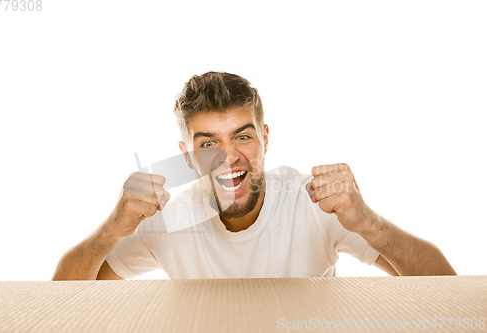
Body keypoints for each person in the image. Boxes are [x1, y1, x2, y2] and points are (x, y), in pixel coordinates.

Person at [51, 72, 456, 280]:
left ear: (264, 139)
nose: (228, 157)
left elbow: (446, 287)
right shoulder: (168, 219)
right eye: (208, 144)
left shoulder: (311, 202)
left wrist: (369, 223)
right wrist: (110, 230)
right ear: (188, 157)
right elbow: (65, 302)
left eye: (242, 136)